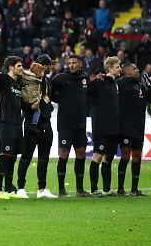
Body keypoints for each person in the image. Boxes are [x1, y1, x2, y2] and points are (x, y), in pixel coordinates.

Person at [50, 55, 91, 197]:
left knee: (81, 153)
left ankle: (80, 189)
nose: (71, 65)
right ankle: (61, 189)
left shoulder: (86, 78)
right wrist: (58, 98)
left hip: (80, 124)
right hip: (65, 123)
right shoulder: (61, 78)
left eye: (74, 63)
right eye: (70, 63)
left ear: (80, 64)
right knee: (64, 153)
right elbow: (50, 88)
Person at [16, 55, 57, 199]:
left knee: (44, 158)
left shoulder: (48, 82)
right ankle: (20, 187)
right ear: (44, 66)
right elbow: (20, 101)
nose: (51, 67)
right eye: (49, 65)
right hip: (30, 123)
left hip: (46, 122)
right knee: (26, 156)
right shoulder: (27, 81)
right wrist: (28, 106)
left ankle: (42, 189)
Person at [117, 64, 151, 196]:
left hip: (139, 126)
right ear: (127, 72)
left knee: (137, 155)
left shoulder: (142, 85)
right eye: (135, 69)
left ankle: (134, 189)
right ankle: (120, 188)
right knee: (125, 154)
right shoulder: (120, 83)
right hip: (124, 126)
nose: (138, 70)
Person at [88, 56, 122, 196]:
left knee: (108, 157)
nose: (120, 68)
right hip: (102, 126)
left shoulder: (115, 84)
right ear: (110, 68)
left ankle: (107, 189)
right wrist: (95, 79)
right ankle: (94, 189)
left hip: (114, 127)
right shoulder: (100, 82)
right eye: (117, 66)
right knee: (97, 155)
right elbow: (88, 92)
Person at [0, 56, 26, 199]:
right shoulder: (3, 80)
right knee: (5, 156)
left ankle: (8, 188)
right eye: (19, 66)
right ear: (11, 67)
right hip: (6, 122)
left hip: (17, 123)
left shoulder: (18, 83)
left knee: (13, 157)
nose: (21, 68)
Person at [20, 62, 45, 134]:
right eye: (42, 72)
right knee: (37, 111)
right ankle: (34, 124)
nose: (43, 74)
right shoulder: (35, 80)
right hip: (31, 98)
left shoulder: (27, 77)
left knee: (24, 112)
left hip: (25, 97)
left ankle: (20, 122)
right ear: (38, 73)